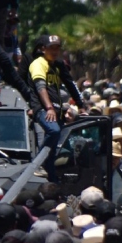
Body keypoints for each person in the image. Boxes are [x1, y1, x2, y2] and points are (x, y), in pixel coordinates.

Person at [27, 35, 81, 182]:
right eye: (52, 48)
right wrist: (49, 108)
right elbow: (40, 88)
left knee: (52, 151)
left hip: (57, 111)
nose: (55, 51)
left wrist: (80, 103)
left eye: (57, 47)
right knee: (53, 130)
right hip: (42, 108)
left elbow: (69, 83)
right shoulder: (38, 63)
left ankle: (52, 181)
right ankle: (38, 162)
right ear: (43, 49)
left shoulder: (58, 65)